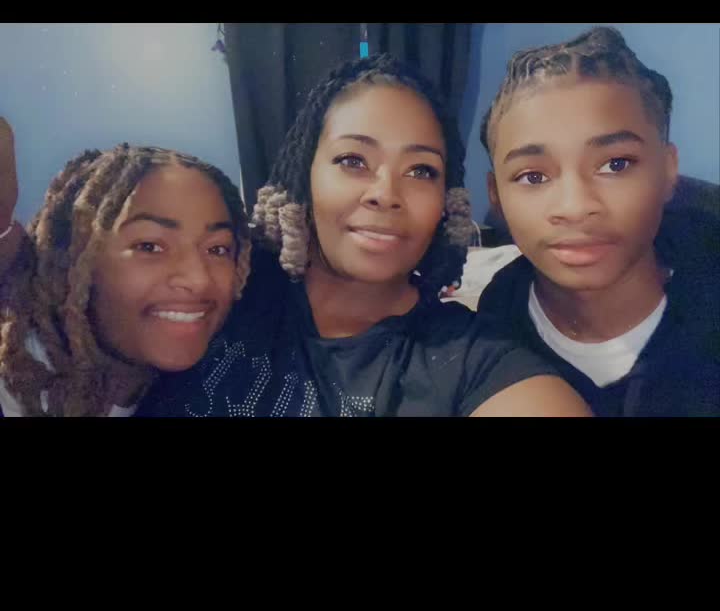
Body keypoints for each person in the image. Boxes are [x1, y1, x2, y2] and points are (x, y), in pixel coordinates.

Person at [136, 54, 592, 417]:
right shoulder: (226, 286)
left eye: (421, 170)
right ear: (304, 177)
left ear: (445, 203)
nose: (385, 194)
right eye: (353, 161)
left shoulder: (474, 360)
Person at [476, 27, 719, 417]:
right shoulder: (489, 332)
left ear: (668, 170)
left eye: (616, 164)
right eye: (533, 176)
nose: (575, 207)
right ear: (496, 196)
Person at [0, 120, 250, 416]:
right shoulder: (15, 383)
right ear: (74, 260)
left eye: (217, 249)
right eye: (150, 246)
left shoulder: (212, 381)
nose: (198, 279)